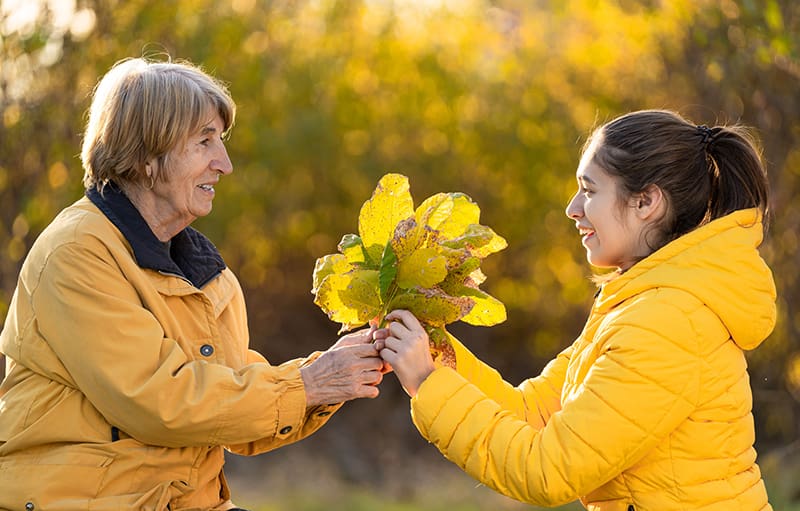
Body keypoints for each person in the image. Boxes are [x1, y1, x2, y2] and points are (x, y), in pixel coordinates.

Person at [0, 57, 385, 510]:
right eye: (205, 142)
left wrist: (338, 372)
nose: (224, 164)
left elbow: (232, 394)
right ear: (145, 158)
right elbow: (159, 402)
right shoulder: (77, 253)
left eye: (220, 141)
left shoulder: (205, 271)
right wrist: (310, 384)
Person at [374, 109, 776, 510]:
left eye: (589, 190)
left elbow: (548, 470)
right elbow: (532, 412)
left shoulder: (667, 323)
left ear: (646, 201)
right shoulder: (638, 306)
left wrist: (427, 383)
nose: (572, 208)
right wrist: (434, 353)